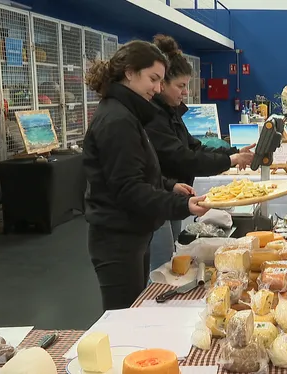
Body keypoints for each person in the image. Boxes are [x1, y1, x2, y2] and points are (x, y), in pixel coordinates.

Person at [82, 40, 209, 311]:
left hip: (132, 233)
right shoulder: (117, 121)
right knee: (122, 317)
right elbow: (128, 189)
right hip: (118, 238)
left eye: (161, 81)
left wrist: (169, 186)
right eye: (153, 79)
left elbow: (138, 171)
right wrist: (181, 205)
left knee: (135, 309)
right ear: (130, 72)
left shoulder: (128, 114)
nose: (157, 88)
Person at [144, 35, 254, 272]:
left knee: (173, 257)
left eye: (186, 86)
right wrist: (230, 159)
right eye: (180, 86)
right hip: (156, 198)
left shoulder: (170, 113)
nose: (185, 93)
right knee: (162, 264)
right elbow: (183, 157)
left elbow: (193, 146)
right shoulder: (153, 117)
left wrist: (233, 152)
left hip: (171, 192)